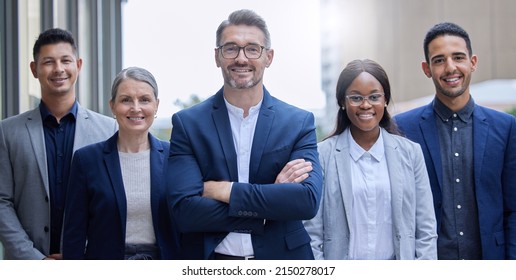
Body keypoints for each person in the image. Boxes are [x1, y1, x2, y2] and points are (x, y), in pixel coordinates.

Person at [166, 9, 322, 260]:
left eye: (252, 49)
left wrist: (225, 190)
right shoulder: (188, 124)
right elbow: (185, 212)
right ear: (217, 57)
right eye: (230, 48)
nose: (241, 58)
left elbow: (306, 201)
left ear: (268, 57)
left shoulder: (298, 122)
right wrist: (271, 199)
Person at [394, 22, 516, 259]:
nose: (450, 68)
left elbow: (514, 208)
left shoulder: (506, 127)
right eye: (439, 60)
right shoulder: (402, 128)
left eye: (458, 57)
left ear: (473, 62)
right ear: (426, 68)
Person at [0, 28, 117, 260]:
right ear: (34, 69)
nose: (58, 69)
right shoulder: (7, 131)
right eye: (48, 62)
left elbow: (113, 203)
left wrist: (79, 257)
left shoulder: (108, 130)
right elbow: (2, 201)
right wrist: (36, 260)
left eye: (66, 60)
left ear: (79, 65)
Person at [303, 59, 437, 260]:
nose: (366, 105)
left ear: (385, 100)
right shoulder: (322, 155)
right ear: (342, 102)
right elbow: (311, 233)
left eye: (374, 97)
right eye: (356, 98)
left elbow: (426, 230)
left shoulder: (411, 153)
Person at [62, 67, 179, 260]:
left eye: (144, 99)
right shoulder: (86, 160)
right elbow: (74, 235)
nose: (136, 108)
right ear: (113, 106)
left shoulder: (175, 157)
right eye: (126, 100)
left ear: (156, 105)